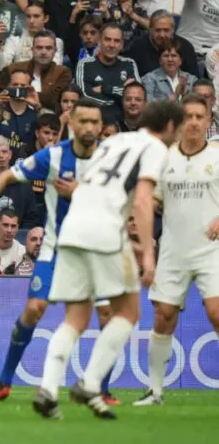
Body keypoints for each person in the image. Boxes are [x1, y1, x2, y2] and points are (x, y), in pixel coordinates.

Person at [33, 100, 184, 420]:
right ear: (170, 126)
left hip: (72, 228)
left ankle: (48, 388)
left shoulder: (113, 142)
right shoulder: (156, 149)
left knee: (75, 318)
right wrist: (148, 253)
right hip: (106, 231)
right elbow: (143, 202)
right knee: (128, 312)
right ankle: (89, 384)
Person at [135, 95, 219, 406]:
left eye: (201, 116)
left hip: (212, 250)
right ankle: (155, 391)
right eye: (189, 117)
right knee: (163, 315)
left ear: (209, 122)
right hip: (173, 249)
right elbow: (153, 199)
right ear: (180, 123)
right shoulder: (164, 157)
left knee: (216, 313)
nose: (195, 122)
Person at [75, 22, 140, 124]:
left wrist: (104, 89)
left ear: (122, 45)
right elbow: (84, 96)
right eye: (107, 39)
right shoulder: (84, 65)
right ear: (99, 41)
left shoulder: (129, 63)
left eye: (116, 41)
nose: (112, 45)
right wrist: (120, 96)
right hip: (96, 122)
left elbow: (136, 96)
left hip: (125, 123)